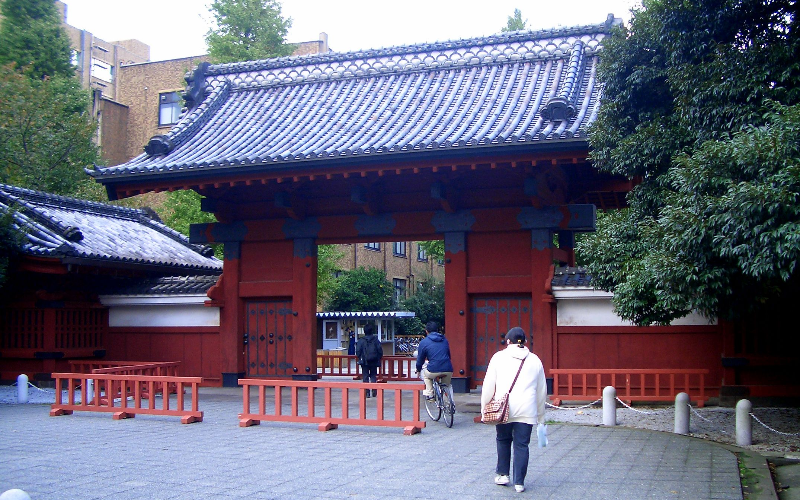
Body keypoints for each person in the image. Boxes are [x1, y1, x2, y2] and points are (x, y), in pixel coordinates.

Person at [481, 326, 546, 494]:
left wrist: (484, 407)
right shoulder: (535, 360)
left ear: (507, 341)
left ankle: (503, 474)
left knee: (503, 439)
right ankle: (519, 482)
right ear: (524, 342)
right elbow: (541, 391)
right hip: (528, 407)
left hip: (504, 406)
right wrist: (541, 416)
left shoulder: (498, 358)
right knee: (522, 445)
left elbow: (489, 386)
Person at [415, 321, 453, 400]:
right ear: (437, 330)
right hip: (448, 369)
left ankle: (430, 394)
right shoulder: (444, 340)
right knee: (447, 385)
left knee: (425, 374)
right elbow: (448, 355)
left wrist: (418, 370)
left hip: (433, 369)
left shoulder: (424, 342)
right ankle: (449, 403)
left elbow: (420, 360)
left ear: (426, 331)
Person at [355, 323, 382, 397]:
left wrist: (359, 357)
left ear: (364, 331)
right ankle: (374, 390)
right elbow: (380, 350)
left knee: (365, 376)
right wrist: (378, 357)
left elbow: (358, 351)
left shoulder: (361, 340)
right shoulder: (375, 340)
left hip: (364, 361)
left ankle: (367, 392)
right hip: (374, 360)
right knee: (373, 375)